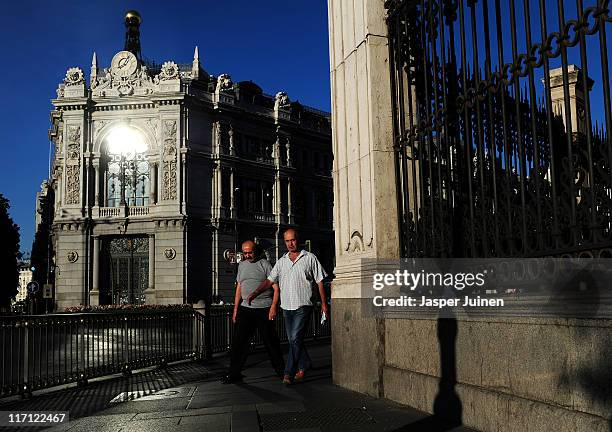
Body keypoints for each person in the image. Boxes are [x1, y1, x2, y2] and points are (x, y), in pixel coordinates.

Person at [247, 229, 329, 384]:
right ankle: (305, 363)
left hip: (303, 305)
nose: (291, 244)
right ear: (284, 242)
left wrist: (324, 305)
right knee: (293, 340)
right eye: (287, 241)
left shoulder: (309, 258)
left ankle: (288, 373)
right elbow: (270, 280)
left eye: (293, 240)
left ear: (298, 240)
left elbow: (320, 281)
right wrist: (255, 293)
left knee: (296, 339)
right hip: (286, 307)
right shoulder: (282, 261)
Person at [221, 240, 285, 384]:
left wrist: (274, 306)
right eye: (245, 253)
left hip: (264, 309)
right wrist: (235, 310)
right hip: (245, 309)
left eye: (250, 252)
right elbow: (239, 288)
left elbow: (276, 288)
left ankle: (282, 372)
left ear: (256, 251)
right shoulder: (242, 266)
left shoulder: (265, 265)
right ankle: (234, 374)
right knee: (239, 344)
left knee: (271, 342)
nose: (248, 255)